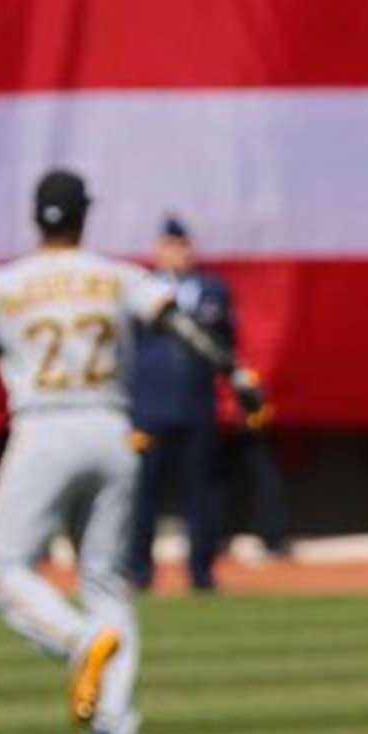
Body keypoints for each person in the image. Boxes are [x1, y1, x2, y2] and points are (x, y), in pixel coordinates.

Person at [0, 169, 264, 734]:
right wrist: (236, 374)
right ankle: (115, 729)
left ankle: (78, 641)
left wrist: (12, 341)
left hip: (44, 426)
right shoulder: (116, 275)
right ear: (83, 215)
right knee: (105, 578)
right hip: (112, 428)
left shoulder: (2, 282)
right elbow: (180, 325)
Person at [124, 216, 245, 594]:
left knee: (201, 493)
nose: (176, 254)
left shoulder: (213, 291)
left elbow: (227, 345)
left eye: (182, 246)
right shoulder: (139, 290)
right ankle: (140, 572)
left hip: (196, 406)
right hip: (149, 407)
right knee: (143, 494)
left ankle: (202, 572)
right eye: (169, 246)